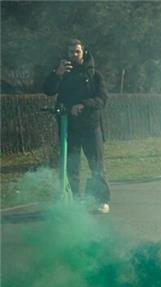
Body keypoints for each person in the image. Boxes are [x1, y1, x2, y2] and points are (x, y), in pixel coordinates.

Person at [43, 38, 110, 213]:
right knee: (71, 167)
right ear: (66, 54)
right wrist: (56, 74)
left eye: (77, 51)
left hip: (91, 127)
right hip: (69, 128)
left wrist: (84, 105)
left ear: (83, 52)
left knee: (96, 165)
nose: (74, 55)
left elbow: (102, 99)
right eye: (71, 52)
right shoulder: (61, 72)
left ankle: (101, 201)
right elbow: (48, 90)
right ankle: (75, 201)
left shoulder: (94, 75)